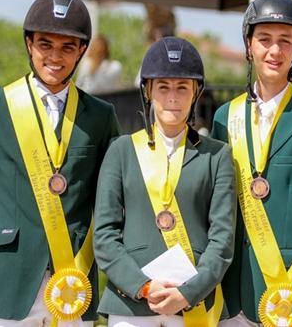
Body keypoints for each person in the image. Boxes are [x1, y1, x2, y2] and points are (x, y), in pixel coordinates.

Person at [0, 0, 120, 326]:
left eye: (67, 47)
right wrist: (0, 246)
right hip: (6, 275)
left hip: (72, 277)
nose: (55, 57)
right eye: (46, 44)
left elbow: (110, 195)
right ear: (29, 44)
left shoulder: (101, 116)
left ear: (82, 52)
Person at [211, 0, 292, 326]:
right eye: (264, 40)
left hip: (288, 298)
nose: (275, 51)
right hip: (229, 297)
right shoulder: (225, 118)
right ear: (248, 44)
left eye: (285, 41)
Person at [93, 36, 235, 327]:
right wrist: (142, 285)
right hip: (131, 305)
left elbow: (222, 241)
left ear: (196, 92)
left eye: (182, 87)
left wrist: (188, 293)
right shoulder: (121, 150)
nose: (173, 97)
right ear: (148, 91)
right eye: (164, 87)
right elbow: (105, 236)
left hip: (193, 306)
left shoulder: (217, 156)